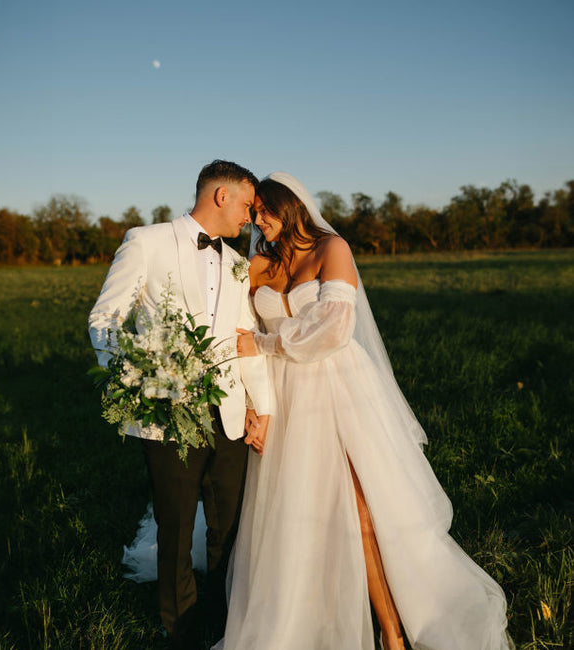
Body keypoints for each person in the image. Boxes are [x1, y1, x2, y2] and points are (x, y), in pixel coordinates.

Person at [216, 172, 513, 650]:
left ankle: (393, 630)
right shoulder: (256, 265)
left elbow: (334, 329)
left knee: (363, 512)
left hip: (339, 390)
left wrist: (265, 342)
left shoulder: (332, 249)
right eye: (253, 214)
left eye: (265, 212)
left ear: (289, 207)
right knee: (299, 515)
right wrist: (254, 402)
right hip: (286, 398)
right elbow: (228, 328)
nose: (258, 221)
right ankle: (313, 615)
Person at [88, 160, 273, 650]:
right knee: (175, 529)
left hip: (230, 416)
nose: (250, 219)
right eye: (247, 206)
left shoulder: (236, 260)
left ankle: (225, 625)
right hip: (167, 415)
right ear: (220, 196)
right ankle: (183, 634)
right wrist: (139, 378)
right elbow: (105, 320)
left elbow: (242, 338)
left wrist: (259, 404)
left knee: (228, 528)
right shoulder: (145, 241)